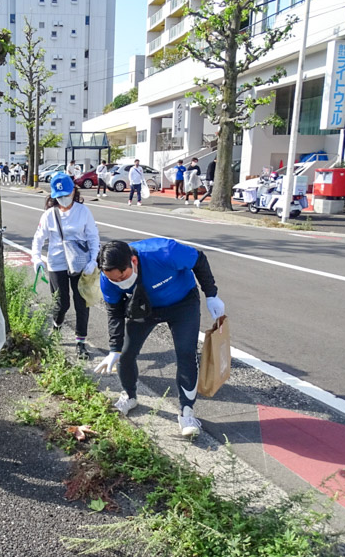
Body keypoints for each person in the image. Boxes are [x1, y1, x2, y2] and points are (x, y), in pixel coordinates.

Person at [93, 239, 225, 437]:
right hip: (144, 306)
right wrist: (114, 348)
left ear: (134, 261)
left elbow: (199, 259)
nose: (119, 282)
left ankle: (186, 412)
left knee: (186, 352)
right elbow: (114, 312)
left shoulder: (164, 251)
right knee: (126, 354)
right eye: (114, 280)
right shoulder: (107, 278)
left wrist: (211, 294)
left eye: (123, 276)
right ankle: (130, 396)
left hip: (182, 303)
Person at [31, 173, 100, 360]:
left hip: (80, 263)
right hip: (57, 262)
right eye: (59, 196)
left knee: (81, 303)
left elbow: (93, 236)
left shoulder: (83, 211)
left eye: (66, 194)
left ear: (74, 191)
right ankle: (57, 326)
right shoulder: (49, 215)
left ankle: (81, 342)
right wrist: (36, 259)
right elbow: (38, 238)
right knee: (61, 303)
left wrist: (93, 260)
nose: (63, 199)